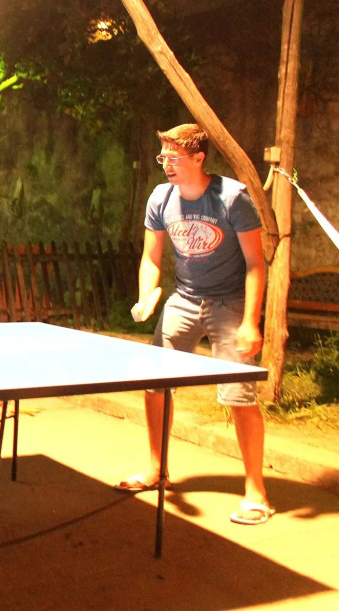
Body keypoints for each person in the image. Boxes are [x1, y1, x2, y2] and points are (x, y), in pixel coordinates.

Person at [115, 123, 272, 526]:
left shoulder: (232, 198)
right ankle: (157, 469)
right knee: (154, 384)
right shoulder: (161, 197)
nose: (166, 164)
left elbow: (256, 264)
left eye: (174, 157)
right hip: (183, 299)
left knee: (238, 395)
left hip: (230, 301)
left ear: (198, 158)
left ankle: (256, 492)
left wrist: (251, 321)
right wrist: (146, 296)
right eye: (162, 157)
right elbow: (151, 258)